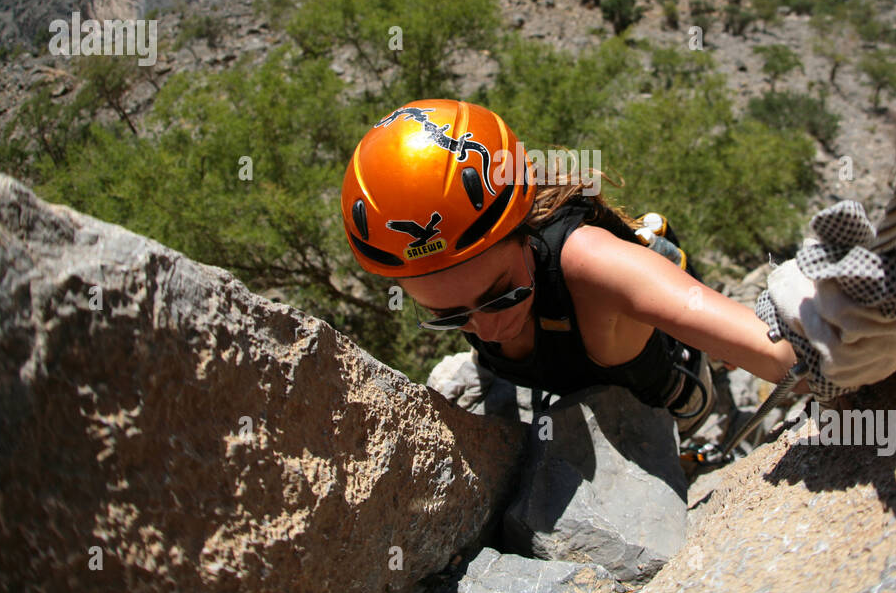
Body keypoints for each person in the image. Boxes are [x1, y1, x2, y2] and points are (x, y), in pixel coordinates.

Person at [339, 98, 806, 440]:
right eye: (449, 316)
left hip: (668, 399)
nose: (488, 328)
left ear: (525, 231)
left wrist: (843, 340)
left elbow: (785, 356)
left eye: (502, 295)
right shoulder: (475, 270)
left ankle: (656, 263)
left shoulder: (591, 264)